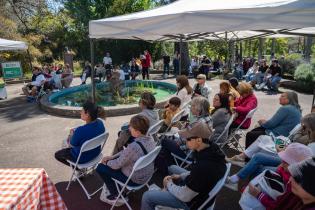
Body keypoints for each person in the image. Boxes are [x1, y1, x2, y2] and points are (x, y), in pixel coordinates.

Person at [142, 122, 226, 210]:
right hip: (200, 189)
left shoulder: (203, 167)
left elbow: (185, 196)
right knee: (172, 168)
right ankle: (165, 194)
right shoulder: (211, 149)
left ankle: (164, 196)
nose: (185, 141)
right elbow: (197, 174)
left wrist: (169, 184)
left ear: (199, 140)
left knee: (147, 197)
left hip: (191, 201)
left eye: (188, 139)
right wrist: (180, 176)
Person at [97, 115, 155, 206]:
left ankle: (116, 194)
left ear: (137, 131)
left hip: (135, 180)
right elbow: (127, 152)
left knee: (100, 168)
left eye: (131, 127)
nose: (129, 128)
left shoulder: (134, 146)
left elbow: (117, 165)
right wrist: (112, 157)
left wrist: (106, 162)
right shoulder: (150, 138)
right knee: (111, 162)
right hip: (147, 174)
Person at [156, 97, 213, 175]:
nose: (190, 108)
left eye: (192, 106)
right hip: (197, 150)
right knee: (169, 141)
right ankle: (169, 163)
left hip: (189, 152)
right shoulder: (209, 118)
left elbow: (182, 139)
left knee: (164, 141)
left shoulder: (198, 124)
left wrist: (174, 137)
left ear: (198, 109)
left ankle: (166, 168)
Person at [225, 143, 312, 194]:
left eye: (305, 127)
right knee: (259, 157)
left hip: (295, 161)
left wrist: (259, 196)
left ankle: (247, 189)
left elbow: (270, 124)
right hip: (292, 155)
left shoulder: (297, 186)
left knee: (260, 168)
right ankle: (242, 183)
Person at [54, 101, 106, 167]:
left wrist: (71, 135)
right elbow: (89, 131)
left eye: (82, 111)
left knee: (57, 154)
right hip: (96, 153)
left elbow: (71, 145)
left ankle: (78, 169)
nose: (80, 112)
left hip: (81, 159)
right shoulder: (100, 123)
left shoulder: (80, 131)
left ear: (87, 114)